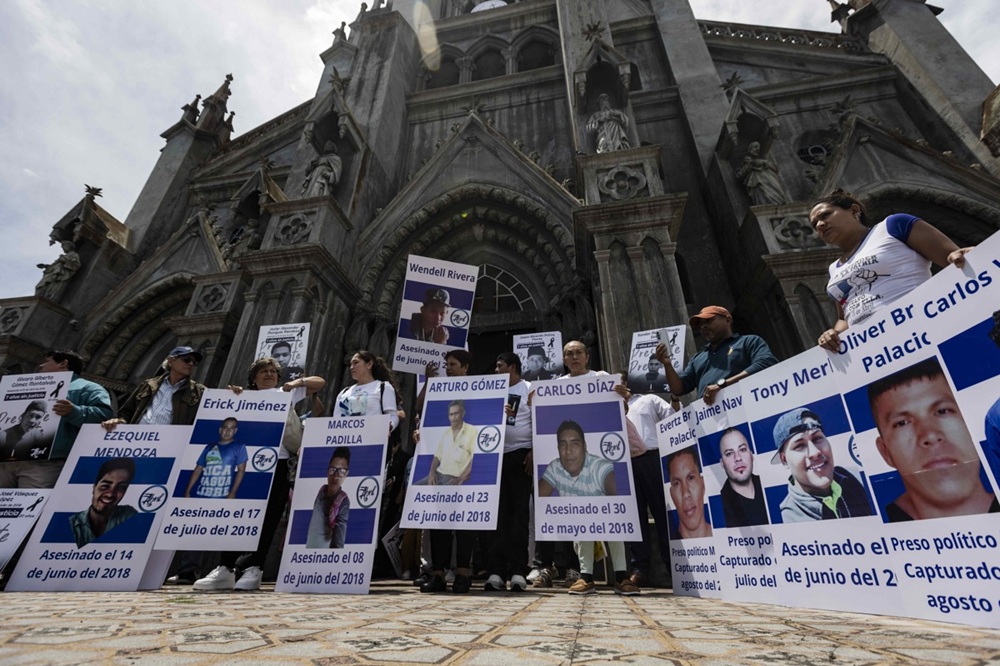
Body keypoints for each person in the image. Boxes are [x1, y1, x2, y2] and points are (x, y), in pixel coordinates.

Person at [194, 357, 325, 591]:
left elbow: (320, 383)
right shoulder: (242, 397)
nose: (269, 374)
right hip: (245, 466)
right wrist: (233, 395)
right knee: (235, 515)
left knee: (269, 517)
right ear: (253, 378)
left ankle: (255, 568)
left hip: (278, 463)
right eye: (263, 371)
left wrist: (296, 384)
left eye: (273, 371)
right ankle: (225, 568)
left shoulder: (284, 394)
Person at [812, 189, 974, 350]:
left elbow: (953, 257)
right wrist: (833, 334)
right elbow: (844, 317)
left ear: (854, 210)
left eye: (825, 215)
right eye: (814, 225)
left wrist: (969, 256)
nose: (820, 225)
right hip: (879, 350)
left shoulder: (893, 226)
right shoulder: (834, 268)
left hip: (921, 328)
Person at [539, 340, 637, 596]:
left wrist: (622, 398)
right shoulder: (556, 386)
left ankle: (621, 576)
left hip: (599, 454)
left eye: (578, 352)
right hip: (570, 460)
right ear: (563, 360)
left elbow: (619, 411)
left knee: (612, 515)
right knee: (581, 520)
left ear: (587, 356)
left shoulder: (602, 378)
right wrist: (533, 403)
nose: (574, 357)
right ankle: (586, 577)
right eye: (569, 354)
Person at [869, 357, 998, 521]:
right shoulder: (871, 530)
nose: (929, 436)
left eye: (942, 411)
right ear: (885, 452)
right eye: (902, 423)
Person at [1, 350, 113, 489]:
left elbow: (104, 416)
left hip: (45, 463)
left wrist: (74, 412)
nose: (41, 366)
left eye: (47, 361)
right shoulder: (23, 386)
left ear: (63, 363)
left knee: (30, 501)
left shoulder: (88, 388)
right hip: (5, 460)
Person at [416, 349, 476, 594]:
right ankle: (437, 573)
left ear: (465, 367)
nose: (448, 368)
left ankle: (462, 573)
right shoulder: (439, 390)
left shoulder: (478, 389)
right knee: (437, 521)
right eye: (446, 364)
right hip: (440, 476)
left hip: (462, 478)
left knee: (463, 524)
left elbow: (474, 454)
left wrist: (461, 478)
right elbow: (420, 408)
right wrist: (431, 473)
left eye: (453, 364)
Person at [655, 306, 777, 406]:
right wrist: (667, 364)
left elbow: (766, 363)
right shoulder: (698, 358)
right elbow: (678, 389)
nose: (703, 326)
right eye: (700, 324)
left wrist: (722, 385)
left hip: (747, 408)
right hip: (712, 421)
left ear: (727, 320)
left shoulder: (748, 342)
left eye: (708, 321)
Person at [482, 353, 533, 592]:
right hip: (493, 456)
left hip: (520, 456)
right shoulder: (491, 389)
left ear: (512, 367)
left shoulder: (529, 389)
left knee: (518, 514)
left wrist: (533, 450)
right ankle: (496, 570)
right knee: (496, 515)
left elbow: (540, 420)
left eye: (499, 366)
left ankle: (518, 571)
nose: (496, 370)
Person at [618, 383, 675, 586]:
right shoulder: (605, 407)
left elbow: (673, 417)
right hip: (623, 462)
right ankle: (640, 568)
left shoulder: (649, 400)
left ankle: (674, 566)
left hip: (651, 458)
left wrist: (676, 397)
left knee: (662, 513)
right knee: (634, 517)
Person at [771, 408, 871, 522]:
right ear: (784, 460)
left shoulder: (859, 479)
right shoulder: (786, 520)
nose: (814, 453)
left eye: (817, 438)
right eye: (799, 446)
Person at [103, 346, 205, 429]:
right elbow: (127, 412)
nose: (191, 364)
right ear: (171, 361)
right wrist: (119, 422)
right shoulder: (148, 385)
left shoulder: (199, 392)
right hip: (135, 440)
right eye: (186, 360)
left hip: (168, 444)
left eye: (194, 362)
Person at [70, 457, 138, 548]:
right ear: (94, 488)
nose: (110, 494)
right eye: (105, 486)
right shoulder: (71, 523)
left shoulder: (128, 515)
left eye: (121, 487)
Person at [538, 420, 615, 497]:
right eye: (563, 444)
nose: (568, 451)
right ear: (558, 448)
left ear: (584, 446)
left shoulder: (599, 468)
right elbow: (537, 499)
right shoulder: (555, 467)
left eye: (575, 444)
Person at [334, 350, 400, 436]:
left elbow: (393, 416)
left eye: (356, 363)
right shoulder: (344, 392)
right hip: (345, 440)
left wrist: (389, 427)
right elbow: (336, 420)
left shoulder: (383, 387)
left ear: (369, 364)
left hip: (371, 439)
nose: (351, 367)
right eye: (351, 364)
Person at [185, 417, 247, 500]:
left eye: (231, 428)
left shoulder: (239, 447)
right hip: (201, 495)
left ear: (235, 431)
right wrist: (187, 491)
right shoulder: (209, 447)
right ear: (220, 430)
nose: (228, 431)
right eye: (225, 428)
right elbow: (198, 468)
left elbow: (241, 471)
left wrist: (233, 492)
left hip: (223, 497)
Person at [718, 428, 769, 527]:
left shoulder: (769, 486)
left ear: (751, 455)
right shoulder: (719, 506)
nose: (738, 458)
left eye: (742, 450)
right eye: (729, 453)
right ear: (722, 463)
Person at [306, 447, 351, 548]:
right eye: (332, 470)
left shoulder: (343, 501)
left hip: (323, 554)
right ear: (327, 470)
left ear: (346, 474)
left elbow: (338, 543)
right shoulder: (321, 491)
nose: (335, 476)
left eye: (341, 471)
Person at [667, 446, 712, 539]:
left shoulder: (725, 535)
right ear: (671, 494)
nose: (686, 494)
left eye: (690, 478)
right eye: (677, 483)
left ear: (702, 484)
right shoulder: (672, 544)